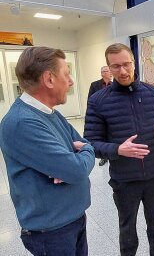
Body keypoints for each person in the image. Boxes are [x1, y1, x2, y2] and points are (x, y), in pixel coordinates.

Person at [0, 47, 95, 256]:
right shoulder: (21, 123)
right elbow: (77, 169)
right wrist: (82, 154)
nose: (70, 81)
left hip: (72, 218)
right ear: (49, 79)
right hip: (51, 233)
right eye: (66, 74)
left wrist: (75, 156)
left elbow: (81, 144)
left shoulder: (52, 114)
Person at [84, 43, 154, 256]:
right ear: (108, 68)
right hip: (124, 181)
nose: (122, 71)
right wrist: (118, 150)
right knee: (128, 233)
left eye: (126, 64)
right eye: (115, 66)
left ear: (134, 63)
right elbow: (90, 143)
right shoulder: (98, 101)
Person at [87, 66, 113, 166]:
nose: (110, 73)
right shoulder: (95, 85)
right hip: (100, 115)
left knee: (111, 135)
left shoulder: (114, 85)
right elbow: (90, 100)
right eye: (108, 71)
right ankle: (104, 157)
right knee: (101, 136)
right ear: (102, 73)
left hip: (111, 114)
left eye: (111, 71)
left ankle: (112, 155)